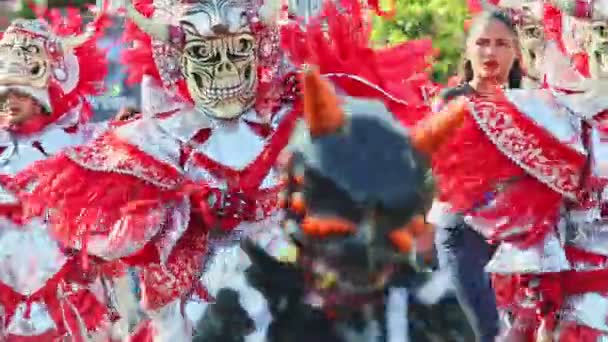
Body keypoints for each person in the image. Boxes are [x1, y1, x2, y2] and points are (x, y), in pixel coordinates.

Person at [426, 9, 588, 342]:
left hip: (523, 243)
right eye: (482, 43)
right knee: (485, 332)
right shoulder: (452, 102)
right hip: (464, 236)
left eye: (501, 44)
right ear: (469, 51)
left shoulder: (535, 105)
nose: (490, 52)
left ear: (515, 52)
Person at [0, 13, 115, 341]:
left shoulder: (82, 142)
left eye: (19, 92)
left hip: (66, 297)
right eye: (4, 91)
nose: (8, 101)